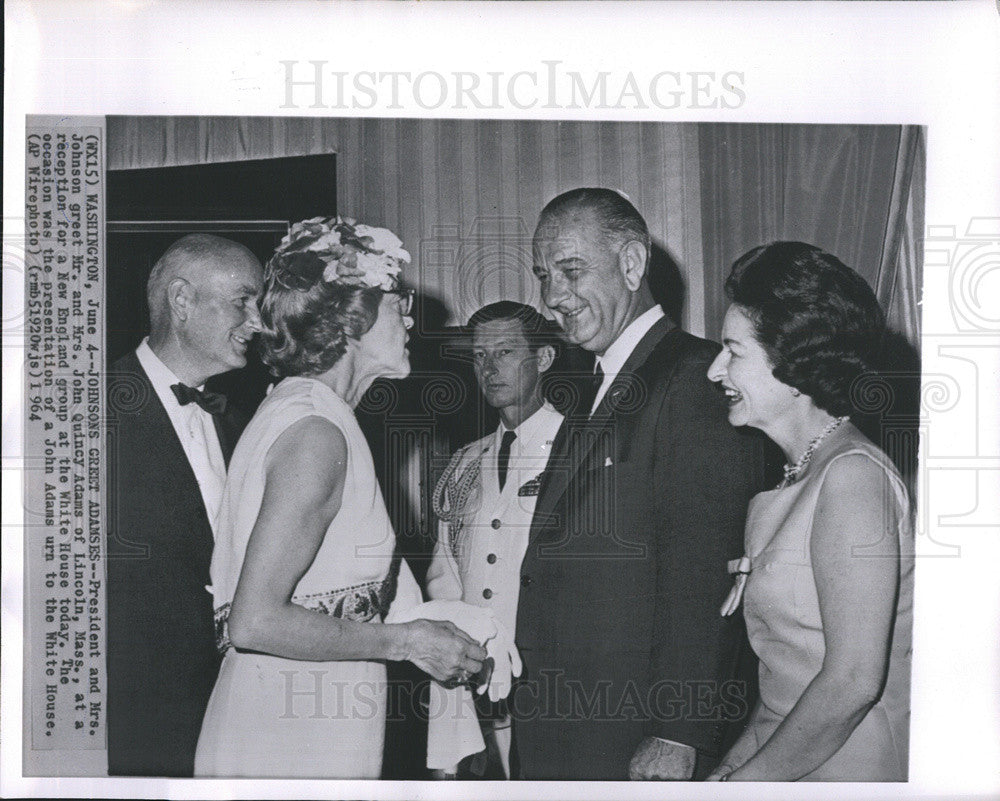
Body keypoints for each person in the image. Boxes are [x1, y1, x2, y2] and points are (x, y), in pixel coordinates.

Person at [193, 216, 486, 778]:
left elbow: (342, 588)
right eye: (396, 300)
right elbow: (254, 621)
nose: (409, 316)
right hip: (288, 731)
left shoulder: (310, 413)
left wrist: (441, 626)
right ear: (348, 318)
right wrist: (406, 643)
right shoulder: (315, 433)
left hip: (307, 713)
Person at [514, 188, 770, 780]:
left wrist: (677, 730)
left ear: (632, 264)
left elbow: (705, 569)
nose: (553, 296)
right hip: (571, 722)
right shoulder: (596, 383)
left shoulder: (694, 378)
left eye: (572, 270)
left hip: (636, 732)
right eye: (543, 275)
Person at [705, 241, 913, 781]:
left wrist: (744, 787)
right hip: (787, 765)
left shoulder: (853, 477)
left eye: (733, 351)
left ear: (794, 362)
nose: (714, 370)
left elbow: (851, 684)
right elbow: (784, 681)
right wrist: (727, 773)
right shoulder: (798, 478)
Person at [105, 234, 265, 776]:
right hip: (130, 731)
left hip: (225, 714)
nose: (258, 322)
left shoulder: (238, 421)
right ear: (181, 301)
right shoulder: (87, 415)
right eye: (243, 300)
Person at [426, 301, 564, 778]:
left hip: (553, 686)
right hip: (476, 688)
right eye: (480, 356)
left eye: (505, 351)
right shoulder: (464, 462)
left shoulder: (577, 450)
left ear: (543, 359)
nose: (489, 368)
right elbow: (444, 578)